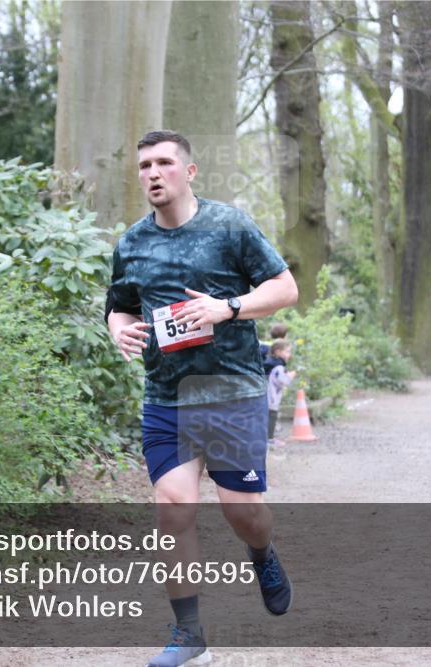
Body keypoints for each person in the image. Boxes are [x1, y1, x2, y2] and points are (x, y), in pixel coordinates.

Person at [105, 130, 298, 667]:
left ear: (188, 172)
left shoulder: (229, 226)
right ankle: (189, 637)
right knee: (173, 506)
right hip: (166, 396)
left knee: (244, 514)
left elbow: (284, 289)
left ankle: (261, 554)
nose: (152, 173)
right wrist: (117, 331)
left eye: (164, 162)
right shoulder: (132, 243)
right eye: (144, 165)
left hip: (232, 393)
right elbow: (119, 307)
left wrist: (227, 308)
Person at [264, 340, 297, 447]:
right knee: (272, 417)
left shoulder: (269, 363)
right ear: (278, 352)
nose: (289, 354)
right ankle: (269, 439)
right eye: (287, 352)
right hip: (271, 397)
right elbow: (282, 381)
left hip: (265, 395)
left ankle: (266, 438)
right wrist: (290, 376)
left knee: (266, 417)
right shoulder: (278, 367)